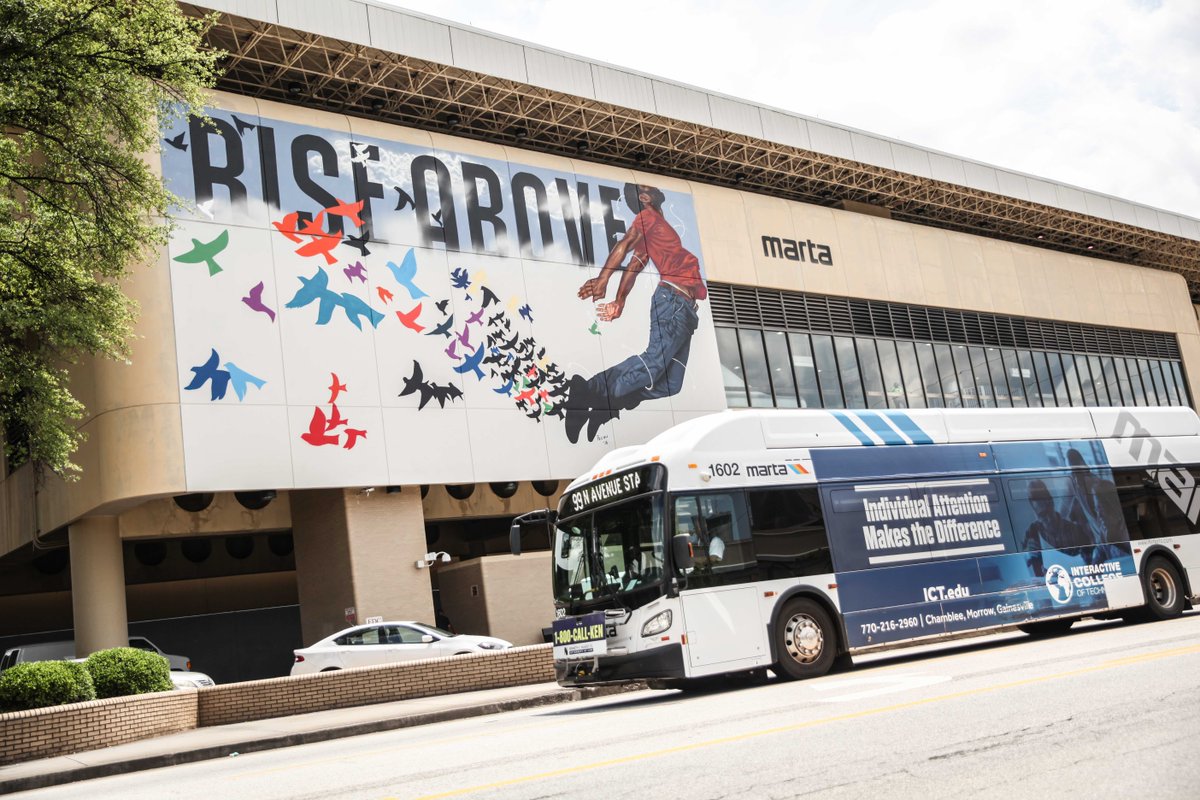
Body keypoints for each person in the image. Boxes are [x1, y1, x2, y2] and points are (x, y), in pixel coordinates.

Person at [564, 183, 705, 443]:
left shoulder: (656, 229)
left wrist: (620, 301)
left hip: (685, 311)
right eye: (648, 187)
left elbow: (635, 266)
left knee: (672, 383)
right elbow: (625, 244)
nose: (654, 187)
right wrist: (603, 279)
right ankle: (589, 391)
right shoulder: (647, 217)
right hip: (673, 301)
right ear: (644, 197)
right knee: (653, 363)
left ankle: (608, 403)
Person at [1022, 479, 1092, 573]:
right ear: (1035, 513)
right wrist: (1028, 554)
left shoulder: (1075, 530)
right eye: (1042, 515)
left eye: (1048, 512)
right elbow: (1022, 564)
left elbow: (1091, 558)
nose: (1048, 519)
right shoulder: (1032, 532)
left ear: (1052, 502)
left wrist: (1084, 558)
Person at [1063, 447, 1126, 545]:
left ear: (1082, 465)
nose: (1073, 477)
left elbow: (1115, 514)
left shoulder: (1099, 485)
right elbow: (1071, 509)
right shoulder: (1077, 488)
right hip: (1101, 542)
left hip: (1115, 539)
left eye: (1074, 471)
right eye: (1071, 474)